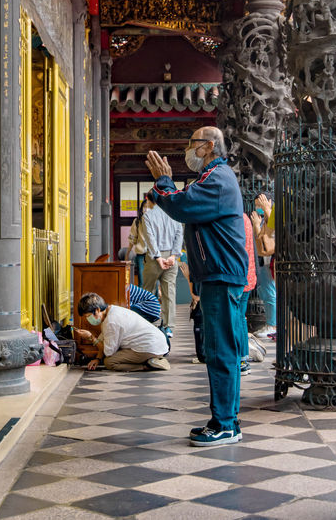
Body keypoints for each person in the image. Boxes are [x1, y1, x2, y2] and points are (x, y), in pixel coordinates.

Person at [146, 125, 248, 447]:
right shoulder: (215, 177)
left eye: (192, 144)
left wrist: (163, 183)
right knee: (223, 350)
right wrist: (165, 190)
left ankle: (225, 424)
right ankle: (228, 419)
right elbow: (182, 203)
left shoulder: (216, 177)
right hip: (219, 273)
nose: (188, 150)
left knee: (220, 352)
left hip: (220, 274)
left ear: (207, 147)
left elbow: (182, 205)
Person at [76, 292, 169, 372]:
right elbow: (104, 340)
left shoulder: (111, 322)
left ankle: (148, 365)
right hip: (157, 343)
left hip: (150, 347)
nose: (87, 319)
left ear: (97, 310)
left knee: (109, 362)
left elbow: (108, 352)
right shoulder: (111, 311)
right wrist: (97, 358)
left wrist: (91, 338)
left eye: (88, 316)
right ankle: (151, 360)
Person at [141, 197, 183, 344]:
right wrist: (173, 255)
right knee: (169, 292)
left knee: (147, 291)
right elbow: (179, 234)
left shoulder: (148, 216)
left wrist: (158, 258)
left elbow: (150, 238)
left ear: (150, 200)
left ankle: (147, 324)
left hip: (154, 258)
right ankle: (168, 327)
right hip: (171, 258)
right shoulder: (175, 214)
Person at [251, 193, 277, 338]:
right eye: (257, 205)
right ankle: (270, 323)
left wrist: (268, 211)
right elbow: (260, 241)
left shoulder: (271, 215)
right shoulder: (261, 220)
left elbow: (272, 234)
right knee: (266, 292)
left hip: (271, 260)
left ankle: (273, 324)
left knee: (270, 293)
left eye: (261, 203)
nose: (259, 207)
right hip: (263, 261)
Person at [239, 212, 257, 376]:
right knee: (241, 318)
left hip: (239, 278)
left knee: (237, 318)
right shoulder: (244, 218)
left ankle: (241, 359)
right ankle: (243, 357)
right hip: (248, 276)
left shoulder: (236, 218)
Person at [128, 197, 149, 286]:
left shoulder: (157, 221)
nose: (147, 209)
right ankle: (142, 299)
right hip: (141, 253)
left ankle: (154, 299)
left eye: (149, 207)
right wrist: (127, 253)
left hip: (154, 254)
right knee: (141, 278)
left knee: (154, 279)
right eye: (145, 207)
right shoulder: (137, 221)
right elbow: (132, 238)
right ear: (141, 208)